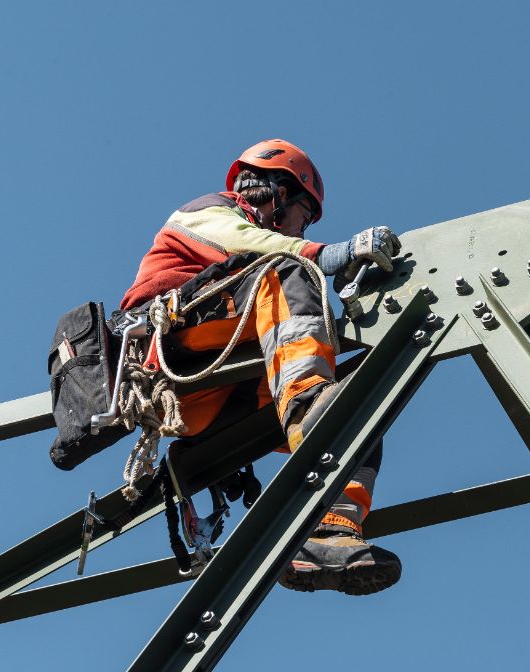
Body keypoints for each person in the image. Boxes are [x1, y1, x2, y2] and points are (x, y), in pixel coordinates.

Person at [119, 139, 403, 596]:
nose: (301, 226)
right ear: (276, 193)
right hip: (177, 353)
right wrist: (330, 254)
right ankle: (308, 399)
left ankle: (330, 534)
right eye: (303, 215)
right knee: (287, 272)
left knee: (357, 406)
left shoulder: (263, 257)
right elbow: (251, 244)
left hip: (222, 392)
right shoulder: (205, 212)